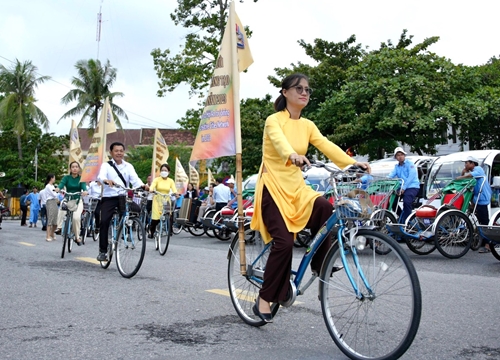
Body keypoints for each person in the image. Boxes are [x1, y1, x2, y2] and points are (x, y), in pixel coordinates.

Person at [249, 73, 370, 322]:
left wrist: (351, 163)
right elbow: (280, 143)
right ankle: (265, 297)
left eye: (307, 90)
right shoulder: (274, 121)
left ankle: (319, 265)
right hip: (273, 187)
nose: (304, 93)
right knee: (284, 241)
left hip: (297, 188)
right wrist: (292, 155)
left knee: (326, 208)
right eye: (298, 88)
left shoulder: (308, 125)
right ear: (285, 92)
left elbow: (326, 145)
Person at [96, 142, 148, 261]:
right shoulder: (106, 165)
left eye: (121, 151)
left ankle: (126, 228)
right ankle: (103, 251)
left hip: (123, 197)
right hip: (109, 197)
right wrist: (106, 180)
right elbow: (100, 176)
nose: (119, 153)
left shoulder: (128, 166)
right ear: (111, 152)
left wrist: (143, 186)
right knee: (104, 221)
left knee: (137, 210)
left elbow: (135, 180)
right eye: (116, 151)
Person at [456, 155, 493, 253]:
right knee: (474, 217)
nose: (465, 164)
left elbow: (469, 176)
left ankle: (488, 245)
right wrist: (463, 172)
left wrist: (461, 176)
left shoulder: (478, 169)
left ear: (472, 163)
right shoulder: (471, 172)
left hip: (482, 198)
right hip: (475, 199)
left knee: (484, 221)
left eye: (467, 163)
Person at [55, 161, 88, 245]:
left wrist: (85, 191)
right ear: (70, 169)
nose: (75, 168)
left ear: (79, 168)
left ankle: (77, 237)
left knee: (76, 218)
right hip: (67, 198)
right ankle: (59, 228)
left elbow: (84, 187)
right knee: (62, 209)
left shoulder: (81, 178)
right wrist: (58, 188)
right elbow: (61, 184)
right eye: (73, 167)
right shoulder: (66, 178)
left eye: (76, 167)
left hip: (77, 200)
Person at [387, 147, 420, 223]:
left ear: (404, 155)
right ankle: (402, 215)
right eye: (398, 155)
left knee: (407, 202)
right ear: (396, 157)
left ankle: (408, 221)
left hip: (412, 186)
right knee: (392, 202)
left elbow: (411, 177)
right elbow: (390, 175)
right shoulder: (397, 166)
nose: (400, 156)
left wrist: (404, 188)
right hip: (401, 187)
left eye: (401, 154)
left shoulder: (410, 164)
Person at [148, 163, 178, 238]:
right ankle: (151, 230)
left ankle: (169, 230)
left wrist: (176, 193)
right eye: (162, 170)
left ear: (169, 172)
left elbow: (174, 189)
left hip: (166, 199)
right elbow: (152, 186)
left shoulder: (170, 181)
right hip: (157, 199)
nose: (164, 172)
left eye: (165, 170)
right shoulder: (157, 180)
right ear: (160, 171)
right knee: (156, 218)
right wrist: (151, 189)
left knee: (169, 215)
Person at [43, 174, 59, 242]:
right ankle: (48, 235)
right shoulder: (48, 186)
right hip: (50, 202)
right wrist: (57, 191)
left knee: (56, 220)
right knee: (50, 218)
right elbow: (54, 194)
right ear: (51, 178)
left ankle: (52, 233)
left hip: (54, 202)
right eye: (54, 178)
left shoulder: (52, 186)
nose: (54, 179)